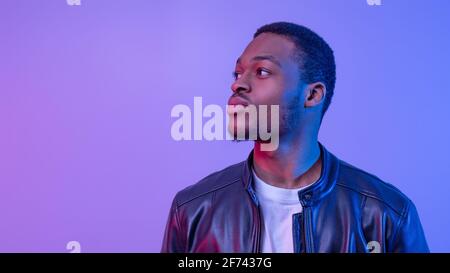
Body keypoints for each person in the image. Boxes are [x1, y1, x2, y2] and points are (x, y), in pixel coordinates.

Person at [161, 22, 429, 253]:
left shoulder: (386, 215)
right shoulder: (193, 209)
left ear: (312, 95)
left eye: (262, 71)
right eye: (238, 72)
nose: (237, 84)